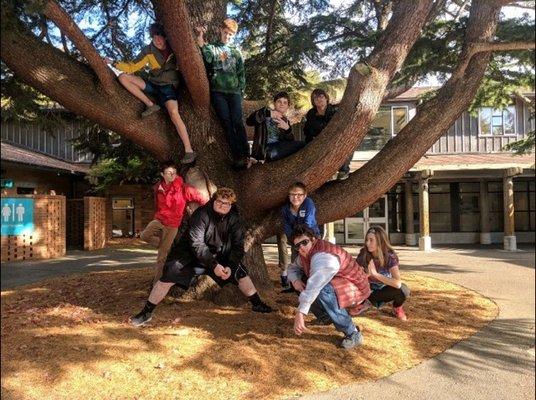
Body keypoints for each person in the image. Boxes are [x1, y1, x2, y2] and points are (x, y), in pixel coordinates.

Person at [130, 187, 272, 327]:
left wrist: (230, 265)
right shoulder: (201, 214)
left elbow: (238, 246)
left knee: (240, 273)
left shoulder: (234, 219)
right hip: (190, 255)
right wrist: (214, 265)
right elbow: (196, 244)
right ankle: (146, 313)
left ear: (231, 205)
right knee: (168, 276)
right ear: (213, 200)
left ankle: (257, 304)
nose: (222, 205)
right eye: (219, 202)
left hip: (219, 255)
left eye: (226, 203)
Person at [109, 23, 196, 164]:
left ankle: (189, 150)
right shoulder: (148, 51)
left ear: (165, 37)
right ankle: (150, 104)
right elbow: (132, 67)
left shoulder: (175, 48)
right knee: (123, 77)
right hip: (153, 84)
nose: (157, 40)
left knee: (174, 114)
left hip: (168, 87)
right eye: (154, 37)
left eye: (159, 37)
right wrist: (113, 62)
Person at [287, 225, 370, 349]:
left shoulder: (323, 256)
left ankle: (352, 333)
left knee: (322, 289)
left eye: (304, 242)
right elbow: (292, 268)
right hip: (341, 285)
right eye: (297, 245)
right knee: (304, 281)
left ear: (313, 239)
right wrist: (295, 280)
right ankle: (325, 316)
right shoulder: (305, 255)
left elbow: (315, 285)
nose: (302, 248)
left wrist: (300, 312)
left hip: (357, 288)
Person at [140, 161, 208, 283]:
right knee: (144, 235)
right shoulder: (158, 188)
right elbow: (158, 206)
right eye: (169, 173)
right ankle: (165, 246)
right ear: (163, 174)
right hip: (159, 220)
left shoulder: (183, 188)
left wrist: (208, 210)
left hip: (172, 225)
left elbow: (201, 198)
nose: (172, 175)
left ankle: (157, 284)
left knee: (161, 257)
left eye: (174, 173)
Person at [196, 19, 250, 170]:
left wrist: (241, 91)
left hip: (234, 93)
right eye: (226, 33)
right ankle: (237, 156)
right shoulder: (213, 48)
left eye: (231, 35)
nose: (228, 36)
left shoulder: (236, 51)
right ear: (221, 31)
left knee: (237, 122)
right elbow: (206, 55)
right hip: (218, 93)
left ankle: (246, 153)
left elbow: (241, 73)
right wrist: (200, 36)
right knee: (226, 123)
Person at [356, 226, 410, 321]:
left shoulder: (390, 257)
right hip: (368, 291)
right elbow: (355, 278)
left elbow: (397, 283)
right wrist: (366, 275)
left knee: (404, 290)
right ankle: (366, 303)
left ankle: (397, 307)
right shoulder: (363, 254)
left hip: (383, 291)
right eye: (367, 240)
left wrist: (375, 274)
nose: (367, 243)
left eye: (371, 240)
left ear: (380, 241)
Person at [279, 182, 321, 290]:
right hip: (295, 241)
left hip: (311, 239)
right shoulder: (285, 209)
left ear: (305, 195)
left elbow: (309, 222)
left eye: (299, 194)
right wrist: (294, 240)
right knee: (296, 262)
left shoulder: (308, 203)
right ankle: (297, 287)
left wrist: (303, 239)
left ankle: (314, 287)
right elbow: (287, 227)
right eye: (292, 194)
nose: (295, 197)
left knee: (313, 262)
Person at [303, 88, 352, 180]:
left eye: (321, 96)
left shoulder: (336, 110)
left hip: (337, 140)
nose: (319, 99)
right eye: (315, 98)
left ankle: (344, 170)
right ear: (313, 101)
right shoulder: (311, 113)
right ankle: (326, 174)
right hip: (319, 142)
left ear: (326, 98)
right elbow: (307, 130)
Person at [247, 91, 305, 162]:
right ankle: (263, 156)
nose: (282, 104)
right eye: (279, 101)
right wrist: (268, 113)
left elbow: (289, 142)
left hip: (277, 148)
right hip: (263, 148)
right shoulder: (265, 113)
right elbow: (249, 122)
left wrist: (287, 129)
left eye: (285, 102)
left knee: (301, 144)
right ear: (274, 103)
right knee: (272, 153)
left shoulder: (285, 120)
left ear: (287, 106)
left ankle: (269, 156)